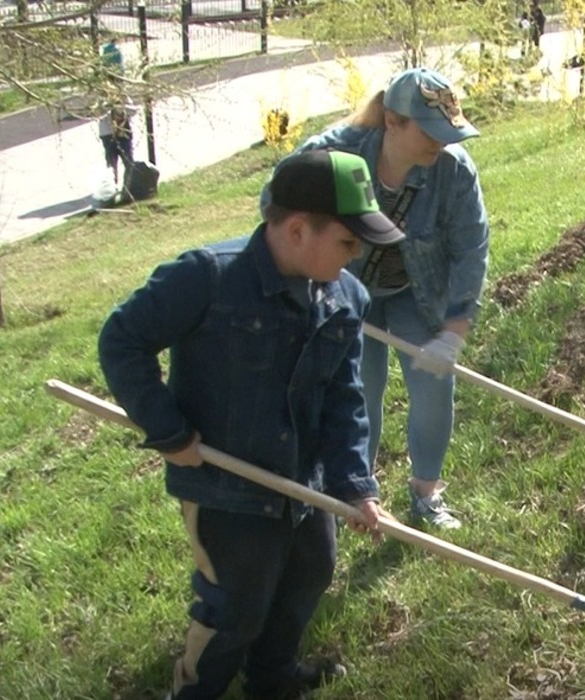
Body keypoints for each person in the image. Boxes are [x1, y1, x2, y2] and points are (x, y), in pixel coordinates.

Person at [98, 149, 405, 700]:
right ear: (295, 231)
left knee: (308, 577)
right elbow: (122, 340)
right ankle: (198, 690)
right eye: (347, 242)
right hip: (225, 489)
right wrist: (169, 431)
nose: (356, 256)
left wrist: (354, 485)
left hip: (302, 487)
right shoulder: (207, 278)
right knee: (235, 605)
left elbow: (344, 399)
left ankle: (273, 678)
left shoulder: (345, 298)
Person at [262, 67, 489, 529]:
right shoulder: (335, 153)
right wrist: (306, 277)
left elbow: (472, 249)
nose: (442, 143)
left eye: (449, 131)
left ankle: (427, 493)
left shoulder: (454, 170)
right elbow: (275, 202)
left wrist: (453, 333)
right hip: (345, 291)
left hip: (417, 294)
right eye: (431, 132)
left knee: (433, 387)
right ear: (393, 122)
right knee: (358, 391)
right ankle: (357, 495)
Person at [98, 99, 135, 186]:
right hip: (108, 135)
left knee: (129, 161)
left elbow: (134, 110)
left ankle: (130, 184)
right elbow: (98, 114)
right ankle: (113, 185)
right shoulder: (101, 101)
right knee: (111, 163)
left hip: (123, 135)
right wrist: (107, 106)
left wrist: (120, 105)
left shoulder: (123, 99)